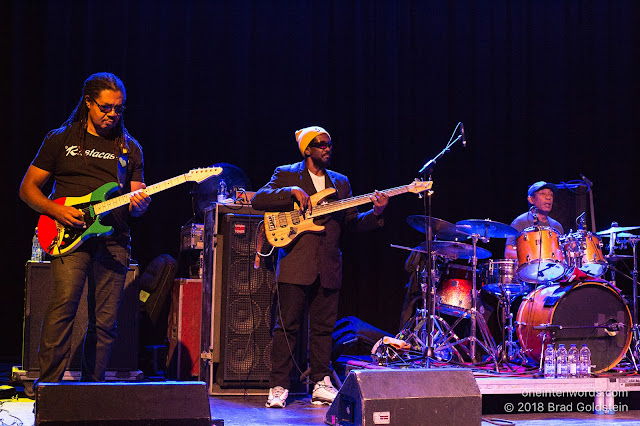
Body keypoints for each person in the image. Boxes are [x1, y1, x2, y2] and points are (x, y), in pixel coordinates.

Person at [19, 72, 150, 384]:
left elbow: (137, 193)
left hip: (114, 239)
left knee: (105, 323)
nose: (113, 114)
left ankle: (91, 389)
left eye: (119, 109)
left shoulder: (130, 149)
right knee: (63, 309)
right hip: (68, 235)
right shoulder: (60, 139)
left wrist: (141, 205)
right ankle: (48, 388)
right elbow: (28, 189)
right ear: (89, 103)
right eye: (106, 108)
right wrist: (56, 210)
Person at [251, 125, 388, 408]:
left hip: (328, 265)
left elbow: (351, 223)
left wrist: (376, 213)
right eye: (322, 144)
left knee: (323, 328)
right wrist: (291, 191)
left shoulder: (341, 183)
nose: (328, 148)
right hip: (295, 262)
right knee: (286, 327)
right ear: (308, 149)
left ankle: (321, 383)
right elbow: (258, 200)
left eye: (329, 144)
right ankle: (278, 385)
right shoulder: (287, 173)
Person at [504, 181, 564, 259]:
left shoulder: (556, 226)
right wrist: (536, 259)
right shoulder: (520, 222)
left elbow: (562, 255)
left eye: (551, 194)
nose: (548, 197)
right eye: (542, 194)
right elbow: (509, 254)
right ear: (531, 199)